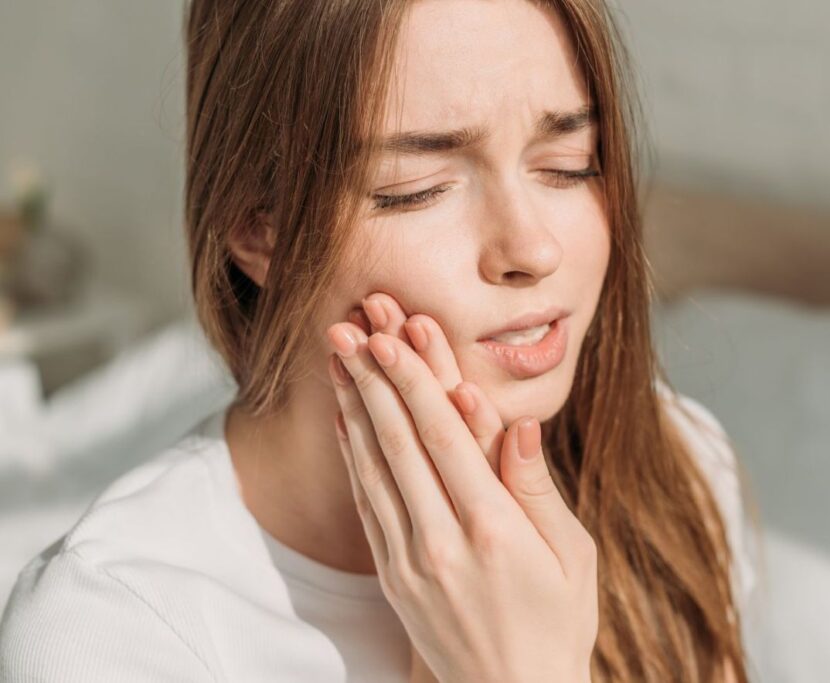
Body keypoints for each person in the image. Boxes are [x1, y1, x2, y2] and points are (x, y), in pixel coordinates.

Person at [0, 0, 759, 680]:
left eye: (568, 166)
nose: (533, 247)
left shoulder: (678, 473)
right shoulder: (108, 629)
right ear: (258, 227)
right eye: (418, 188)